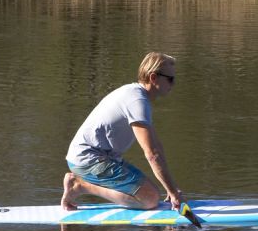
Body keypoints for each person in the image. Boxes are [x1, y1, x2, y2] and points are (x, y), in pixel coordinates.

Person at [62, 52, 188, 213]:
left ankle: (80, 184)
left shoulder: (137, 96)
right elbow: (151, 154)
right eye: (170, 79)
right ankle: (79, 186)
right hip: (87, 159)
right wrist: (172, 191)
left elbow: (157, 147)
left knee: (151, 193)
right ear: (153, 77)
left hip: (101, 157)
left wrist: (172, 189)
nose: (174, 83)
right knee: (150, 199)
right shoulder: (137, 101)